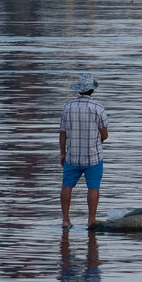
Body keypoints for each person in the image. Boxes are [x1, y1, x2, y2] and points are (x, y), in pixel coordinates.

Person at [59, 72, 109, 228]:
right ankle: (91, 220)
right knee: (93, 187)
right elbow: (105, 135)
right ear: (92, 90)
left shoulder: (68, 107)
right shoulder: (98, 108)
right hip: (93, 156)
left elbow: (62, 133)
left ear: (79, 90)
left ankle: (66, 220)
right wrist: (97, 140)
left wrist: (62, 153)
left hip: (72, 156)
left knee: (67, 186)